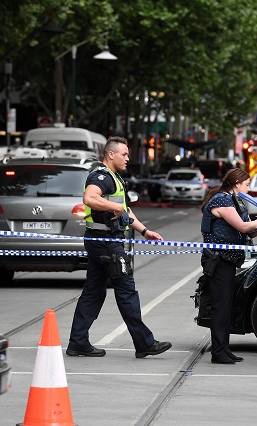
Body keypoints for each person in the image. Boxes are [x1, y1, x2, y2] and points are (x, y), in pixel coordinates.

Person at [67, 136, 171, 359]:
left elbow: (125, 211)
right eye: (124, 154)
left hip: (102, 241)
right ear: (111, 154)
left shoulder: (115, 178)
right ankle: (144, 343)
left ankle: (77, 342)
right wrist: (114, 206)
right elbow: (89, 197)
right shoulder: (102, 176)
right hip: (106, 243)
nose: (127, 158)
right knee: (126, 291)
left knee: (93, 292)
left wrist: (145, 231)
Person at [200, 168, 257, 364]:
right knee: (220, 307)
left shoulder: (235, 201)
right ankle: (218, 351)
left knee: (227, 307)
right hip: (219, 262)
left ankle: (224, 348)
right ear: (236, 184)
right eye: (247, 184)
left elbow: (247, 233)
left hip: (229, 261)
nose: (249, 189)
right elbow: (242, 226)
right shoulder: (222, 200)